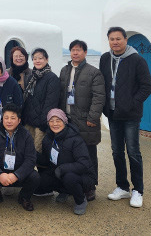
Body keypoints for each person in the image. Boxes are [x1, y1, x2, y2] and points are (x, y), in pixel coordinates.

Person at [99, 26, 151, 208]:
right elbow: (103, 84)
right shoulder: (105, 58)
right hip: (113, 114)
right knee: (116, 152)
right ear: (109, 41)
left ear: (125, 40)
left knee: (133, 152)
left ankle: (138, 190)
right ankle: (122, 186)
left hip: (130, 115)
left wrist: (132, 103)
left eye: (118, 39)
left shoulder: (137, 60)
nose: (115, 42)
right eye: (112, 39)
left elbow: (146, 86)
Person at [59, 40, 105, 201]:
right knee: (69, 154)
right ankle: (70, 186)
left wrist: (93, 117)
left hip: (86, 121)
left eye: (78, 50)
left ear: (85, 53)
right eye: (72, 50)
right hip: (68, 120)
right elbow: (60, 95)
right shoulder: (64, 71)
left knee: (88, 154)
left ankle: (90, 186)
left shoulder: (93, 72)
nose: (75, 53)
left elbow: (99, 97)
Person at [35, 109, 95, 216]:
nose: (55, 124)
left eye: (58, 120)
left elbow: (84, 164)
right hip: (59, 173)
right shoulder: (47, 139)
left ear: (64, 121)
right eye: (51, 121)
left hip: (82, 176)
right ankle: (64, 191)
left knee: (69, 178)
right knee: (41, 180)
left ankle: (80, 201)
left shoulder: (75, 139)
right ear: (48, 123)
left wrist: (62, 168)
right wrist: (33, 154)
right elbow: (46, 160)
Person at [0, 103, 40, 211]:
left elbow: (30, 159)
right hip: (0, 172)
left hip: (19, 173)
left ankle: (24, 197)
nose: (9, 121)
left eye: (13, 118)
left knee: (35, 177)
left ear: (19, 120)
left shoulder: (26, 135)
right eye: (6, 118)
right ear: (2, 119)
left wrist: (16, 175)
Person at [21, 48, 60, 152]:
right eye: (34, 58)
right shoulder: (31, 77)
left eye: (40, 58)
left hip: (41, 125)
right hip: (29, 123)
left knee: (38, 152)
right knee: (27, 151)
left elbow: (50, 103)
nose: (37, 61)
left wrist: (43, 124)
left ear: (46, 59)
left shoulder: (52, 78)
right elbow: (28, 100)